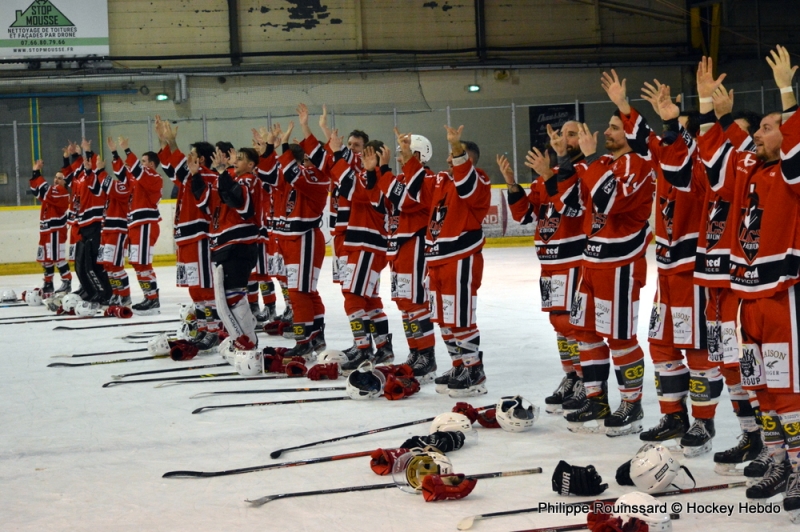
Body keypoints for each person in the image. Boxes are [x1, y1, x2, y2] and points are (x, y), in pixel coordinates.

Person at [693, 48, 800, 512]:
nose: (757, 134)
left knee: (788, 389)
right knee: (759, 385)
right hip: (745, 298)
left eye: (766, 128)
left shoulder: (794, 177)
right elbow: (712, 165)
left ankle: (799, 469)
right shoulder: (748, 172)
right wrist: (706, 111)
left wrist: (786, 93)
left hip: (782, 297)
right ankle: (778, 460)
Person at [638, 81, 764, 464]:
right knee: (720, 362)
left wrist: (713, 114)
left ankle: (750, 437)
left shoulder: (749, 171)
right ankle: (747, 436)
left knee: (742, 364)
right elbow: (676, 165)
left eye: (729, 133)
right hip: (695, 276)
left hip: (730, 280)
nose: (712, 141)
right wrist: (671, 124)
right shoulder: (700, 168)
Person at [546, 71, 656, 436]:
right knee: (585, 332)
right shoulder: (605, 165)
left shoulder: (639, 166)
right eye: (607, 127)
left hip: (620, 267)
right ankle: (596, 400)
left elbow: (609, 201)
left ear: (629, 132)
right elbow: (570, 205)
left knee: (620, 338)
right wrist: (564, 159)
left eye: (613, 127)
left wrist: (591, 160)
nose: (606, 132)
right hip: (590, 265)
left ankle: (631, 405)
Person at [504, 121, 587, 414]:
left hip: (573, 260)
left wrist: (547, 175)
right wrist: (513, 184)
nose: (564, 139)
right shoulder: (544, 179)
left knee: (573, 324)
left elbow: (572, 207)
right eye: (561, 134)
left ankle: (586, 381)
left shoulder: (584, 173)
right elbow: (526, 215)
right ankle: (571, 376)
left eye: (572, 134)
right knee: (558, 324)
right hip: (549, 262)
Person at [427, 124, 492, 397]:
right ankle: (459, 365)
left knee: (461, 318)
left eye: (454, 155)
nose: (448, 159)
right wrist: (407, 156)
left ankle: (474, 370)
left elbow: (467, 187)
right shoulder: (444, 182)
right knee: (444, 318)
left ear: (468, 159)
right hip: (437, 259)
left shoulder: (479, 180)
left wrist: (457, 148)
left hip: (461, 258)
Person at [327, 128, 393, 373]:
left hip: (367, 245)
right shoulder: (372, 176)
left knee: (353, 295)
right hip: (367, 245)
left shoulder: (374, 178)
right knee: (368, 298)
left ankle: (363, 347)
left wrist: (336, 152)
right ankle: (383, 346)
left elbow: (349, 187)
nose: (362, 160)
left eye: (367, 156)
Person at [374, 129, 438, 382]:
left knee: (415, 302)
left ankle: (427, 355)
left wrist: (384, 171)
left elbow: (406, 201)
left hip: (416, 242)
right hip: (398, 245)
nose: (401, 156)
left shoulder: (429, 178)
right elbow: (381, 203)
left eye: (405, 152)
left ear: (419, 154)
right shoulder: (401, 177)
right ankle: (415, 351)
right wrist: (376, 171)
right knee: (404, 303)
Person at [190, 145, 261, 350]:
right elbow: (204, 202)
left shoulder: (248, 179)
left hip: (239, 245)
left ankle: (248, 342)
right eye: (235, 158)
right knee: (227, 298)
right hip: (225, 246)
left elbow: (239, 203)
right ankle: (243, 340)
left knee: (233, 296)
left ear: (251, 165)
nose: (235, 161)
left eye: (240, 158)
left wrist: (222, 172)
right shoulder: (231, 180)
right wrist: (196, 175)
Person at [161, 121, 222, 351]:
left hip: (200, 238)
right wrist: (166, 142)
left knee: (205, 286)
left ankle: (215, 330)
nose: (188, 157)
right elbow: (172, 168)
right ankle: (204, 327)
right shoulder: (188, 177)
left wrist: (172, 142)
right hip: (185, 239)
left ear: (202, 160)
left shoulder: (208, 177)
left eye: (193, 154)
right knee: (194, 287)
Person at [111, 137, 164, 313]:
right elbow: (123, 175)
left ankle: (152, 299)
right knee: (137, 262)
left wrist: (127, 150)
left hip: (145, 224)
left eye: (143, 162)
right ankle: (148, 296)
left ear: (152, 164)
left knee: (143, 263)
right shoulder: (139, 179)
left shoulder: (153, 177)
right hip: (136, 225)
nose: (140, 165)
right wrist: (114, 154)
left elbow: (136, 171)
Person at [69, 139, 113, 305]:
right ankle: (92, 289)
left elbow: (92, 168)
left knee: (95, 262)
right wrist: (74, 155)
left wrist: (88, 151)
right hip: (85, 224)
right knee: (85, 262)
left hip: (95, 224)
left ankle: (105, 292)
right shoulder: (80, 178)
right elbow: (77, 168)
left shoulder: (94, 178)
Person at [30, 158, 72, 299]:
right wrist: (35, 174)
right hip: (45, 230)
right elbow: (38, 192)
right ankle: (48, 283)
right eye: (56, 177)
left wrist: (37, 172)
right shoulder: (52, 193)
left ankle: (67, 281)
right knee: (45, 258)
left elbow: (45, 191)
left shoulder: (62, 192)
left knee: (57, 258)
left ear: (65, 182)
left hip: (55, 231)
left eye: (60, 178)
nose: (56, 180)